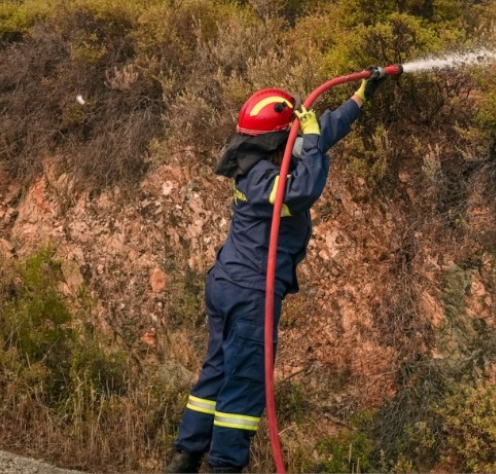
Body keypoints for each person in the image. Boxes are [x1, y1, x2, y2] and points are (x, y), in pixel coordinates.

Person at [165, 70, 386, 474]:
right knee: (244, 383)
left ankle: (184, 458)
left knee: (215, 372)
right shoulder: (262, 178)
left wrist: (359, 98)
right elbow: (302, 188)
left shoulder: (259, 156)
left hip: (227, 283)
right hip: (252, 291)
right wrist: (314, 138)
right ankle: (224, 467)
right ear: (277, 139)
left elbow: (314, 139)